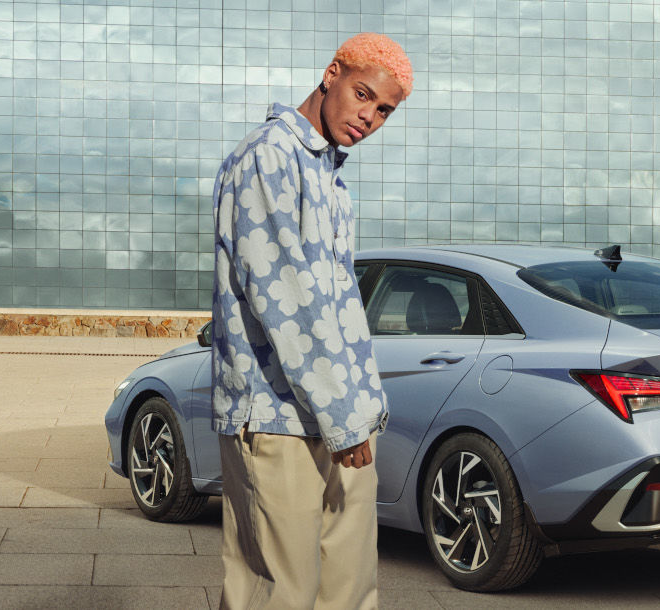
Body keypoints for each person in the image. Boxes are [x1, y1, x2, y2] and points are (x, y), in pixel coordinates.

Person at [209, 33, 413, 609]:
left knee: (349, 591)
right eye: (363, 94)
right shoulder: (267, 158)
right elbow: (287, 299)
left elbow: (338, 302)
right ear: (332, 74)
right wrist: (345, 415)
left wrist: (359, 409)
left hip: (339, 416)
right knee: (279, 596)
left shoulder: (330, 177)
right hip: (275, 413)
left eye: (383, 110)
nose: (369, 116)